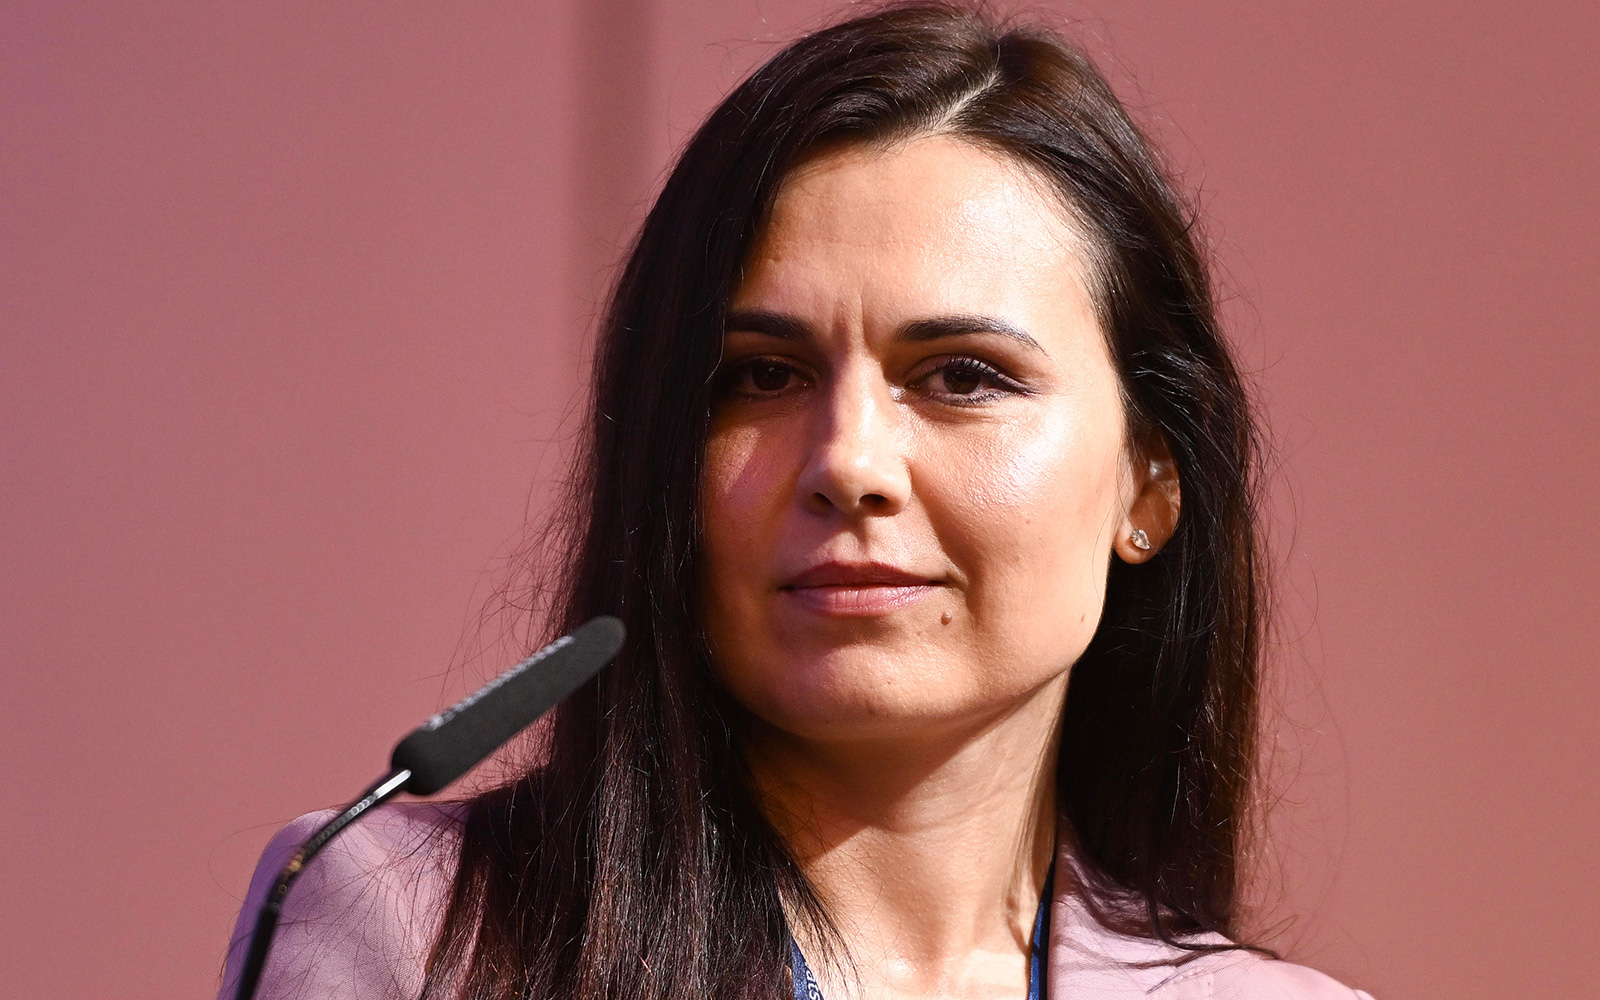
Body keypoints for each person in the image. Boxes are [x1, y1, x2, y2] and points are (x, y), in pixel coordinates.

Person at [220, 4, 1376, 998]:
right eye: (762, 377)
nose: (847, 460)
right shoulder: (418, 931)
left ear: (1148, 482)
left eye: (962, 376)